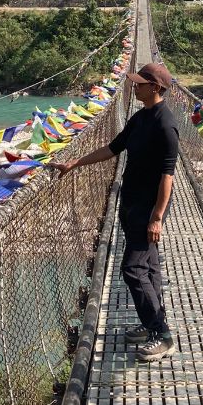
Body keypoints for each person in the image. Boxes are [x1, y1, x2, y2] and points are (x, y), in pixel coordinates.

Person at [52, 62, 178, 362]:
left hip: (149, 208)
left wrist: (157, 218)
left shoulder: (166, 124)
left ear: (155, 87)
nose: (134, 87)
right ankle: (152, 324)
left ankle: (162, 336)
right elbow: (112, 148)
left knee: (132, 269)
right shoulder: (139, 117)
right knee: (148, 266)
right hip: (130, 201)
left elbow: (168, 176)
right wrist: (74, 163)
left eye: (140, 83)